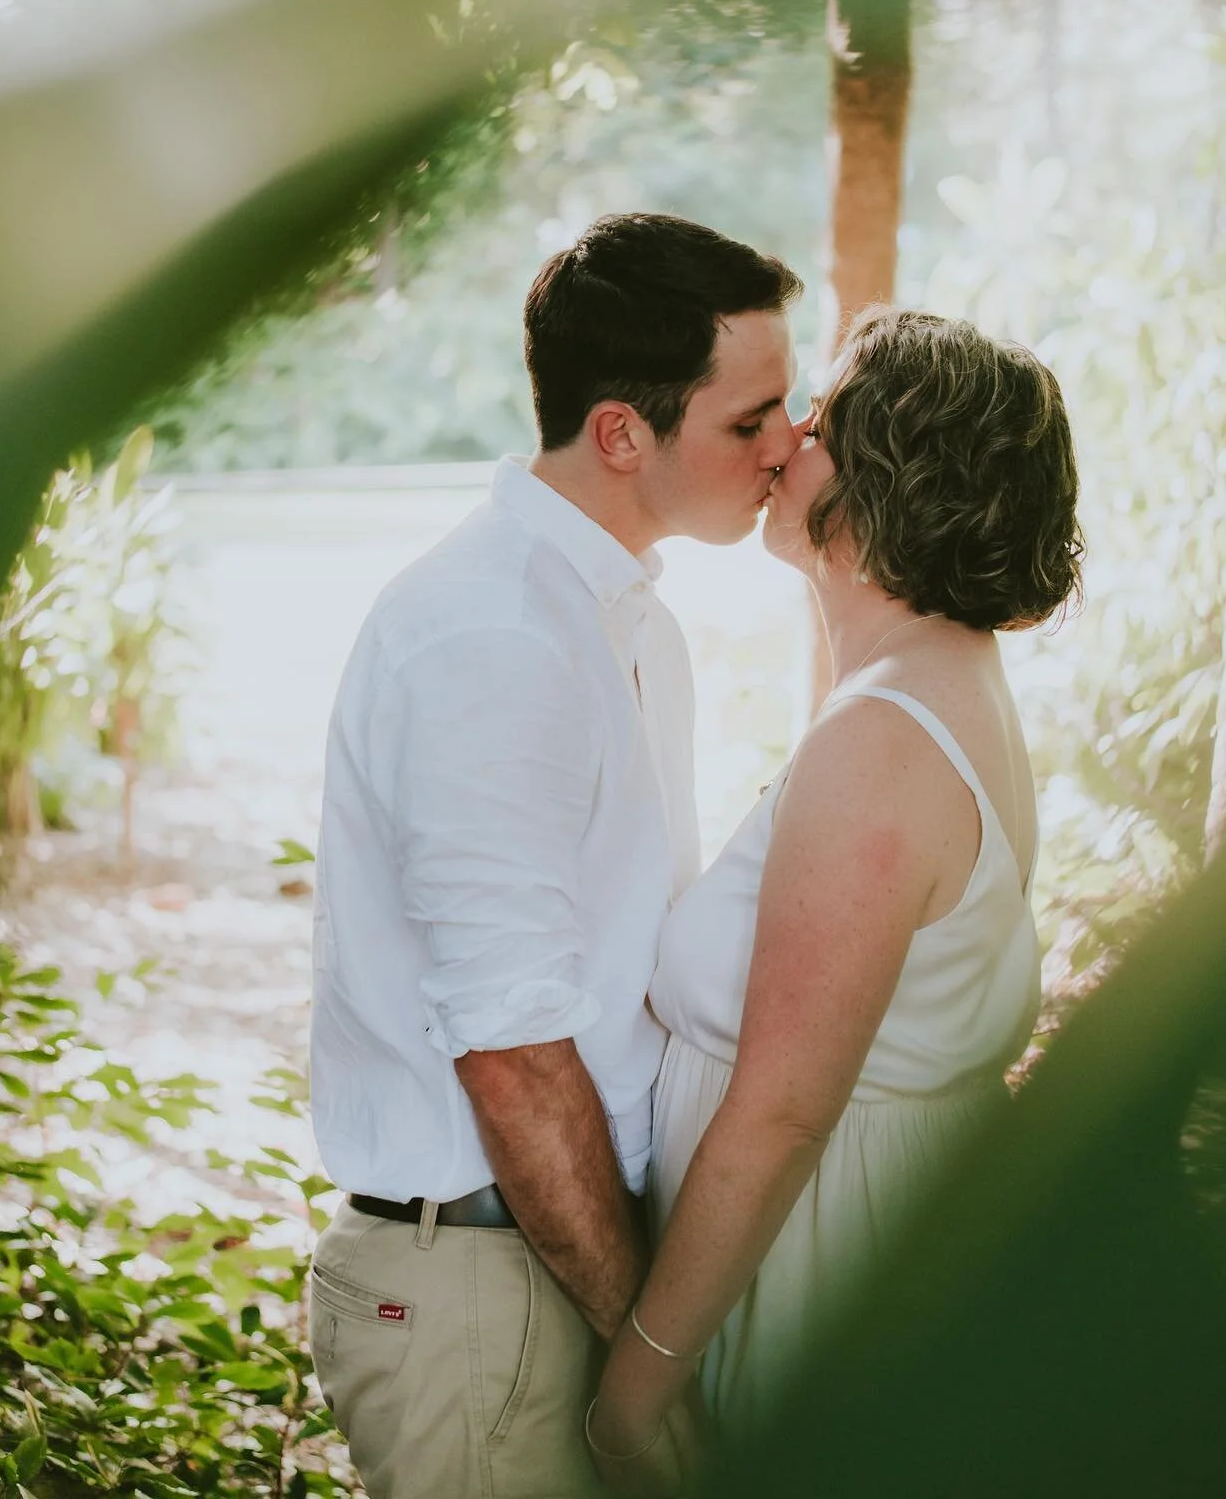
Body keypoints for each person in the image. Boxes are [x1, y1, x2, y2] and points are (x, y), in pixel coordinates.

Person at [307, 213, 801, 1499]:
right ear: (622, 434)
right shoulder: (496, 640)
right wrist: (647, 1344)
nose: (788, 446)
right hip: (487, 1295)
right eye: (749, 421)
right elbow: (516, 1056)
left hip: (556, 1265)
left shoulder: (615, 615)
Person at [587, 307, 1084, 1486]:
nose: (787, 437)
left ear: (887, 478)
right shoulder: (944, 683)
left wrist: (635, 1385)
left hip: (822, 1270)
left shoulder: (883, 741)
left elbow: (781, 1116)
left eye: (822, 417)